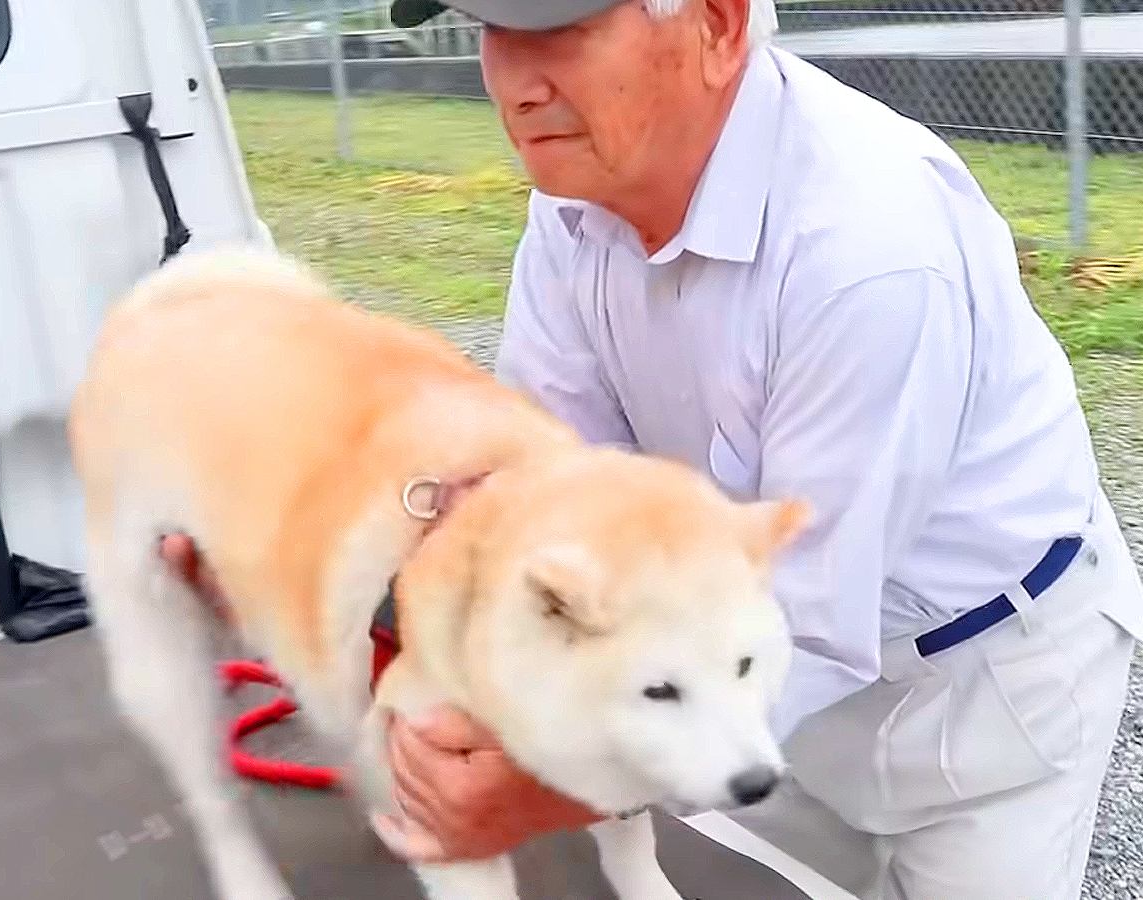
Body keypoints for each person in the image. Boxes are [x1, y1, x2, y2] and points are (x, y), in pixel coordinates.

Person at [161, 0, 1143, 896]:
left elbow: (812, 614)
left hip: (977, 691)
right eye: (494, 30)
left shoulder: (867, 251)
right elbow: (537, 490)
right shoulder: (576, 205)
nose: (514, 80)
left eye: (558, 31)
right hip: (751, 676)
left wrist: (549, 786)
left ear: (716, 24)